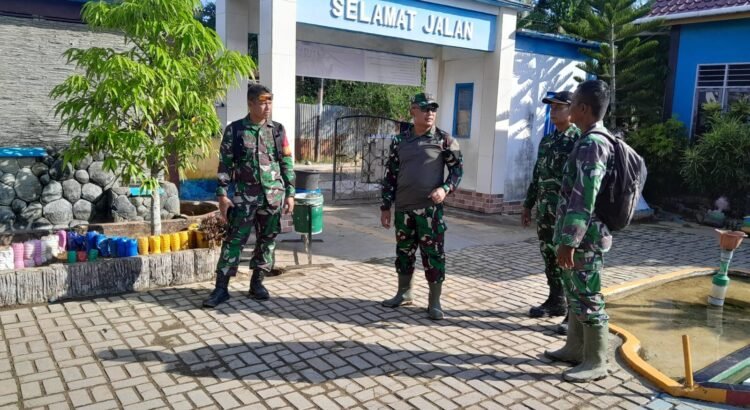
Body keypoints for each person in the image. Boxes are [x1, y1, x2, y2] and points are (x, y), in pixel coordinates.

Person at [545, 80, 614, 382]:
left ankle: (596, 361)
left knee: (588, 295)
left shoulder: (592, 144)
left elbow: (584, 197)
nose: (568, 107)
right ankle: (574, 348)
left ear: (583, 109)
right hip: (580, 237)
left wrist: (569, 241)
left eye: (572, 103)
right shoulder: (588, 139)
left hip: (585, 239)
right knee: (575, 292)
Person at [203, 84, 295, 308]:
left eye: (270, 101)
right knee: (234, 240)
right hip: (244, 198)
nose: (267, 107)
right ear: (251, 103)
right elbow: (225, 164)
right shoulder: (235, 130)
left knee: (267, 240)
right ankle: (221, 288)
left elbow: (286, 163)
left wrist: (290, 193)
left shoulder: (277, 130)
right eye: (263, 102)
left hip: (272, 197)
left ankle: (257, 283)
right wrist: (222, 194)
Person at [380, 92, 463, 320]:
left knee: (433, 255)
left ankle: (434, 301)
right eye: (425, 108)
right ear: (413, 111)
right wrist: (386, 206)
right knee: (404, 253)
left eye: (433, 109)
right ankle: (404, 293)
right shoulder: (399, 141)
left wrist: (445, 189)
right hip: (404, 209)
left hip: (430, 212)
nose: (430, 113)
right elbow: (390, 175)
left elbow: (457, 171)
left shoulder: (445, 141)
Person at [522, 91, 581, 335]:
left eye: (559, 107)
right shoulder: (547, 140)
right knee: (548, 255)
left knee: (568, 261)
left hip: (566, 213)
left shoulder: (579, 140)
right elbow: (537, 175)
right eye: (551, 107)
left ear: (572, 109)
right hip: (546, 211)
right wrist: (528, 205)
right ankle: (556, 300)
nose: (553, 111)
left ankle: (573, 313)